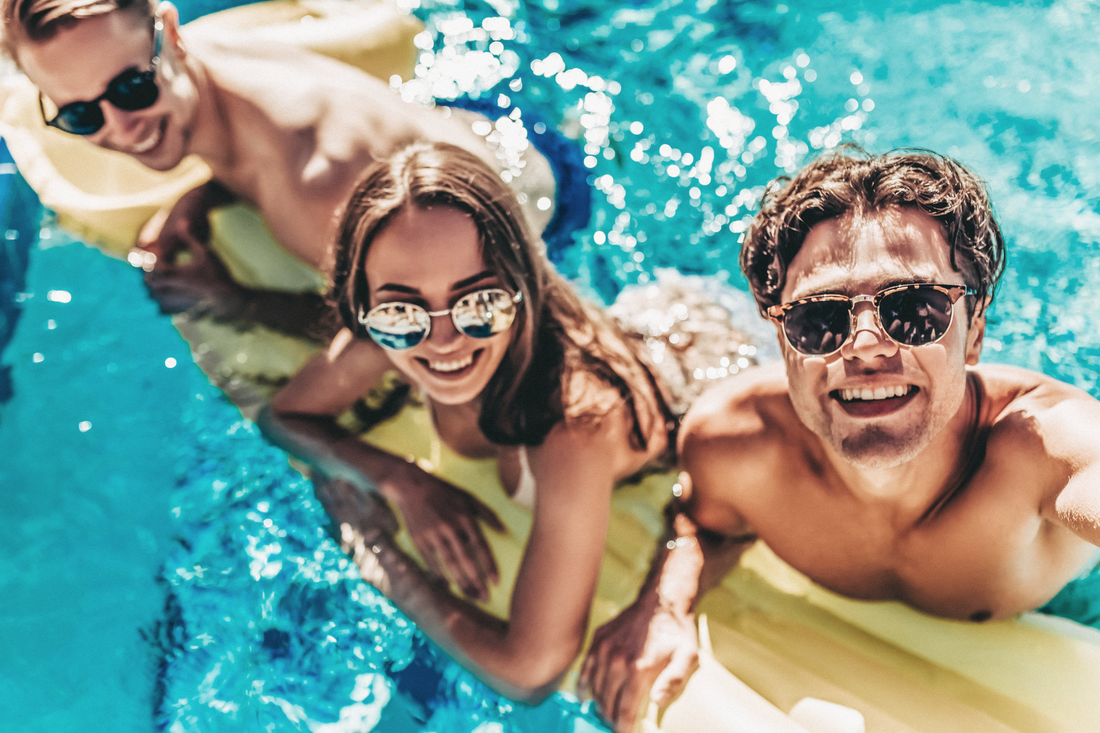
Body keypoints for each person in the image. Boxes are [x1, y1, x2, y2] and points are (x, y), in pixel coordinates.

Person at [579, 147, 1100, 732]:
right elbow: (707, 523)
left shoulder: (1043, 445)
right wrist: (664, 602)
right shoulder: (737, 441)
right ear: (782, 342)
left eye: (914, 308)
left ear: (974, 333)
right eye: (818, 319)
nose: (865, 344)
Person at [261, 142, 676, 700]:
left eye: (478, 303)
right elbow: (282, 418)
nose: (442, 340)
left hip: (689, 367)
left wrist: (379, 555)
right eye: (401, 309)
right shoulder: (390, 331)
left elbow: (530, 671)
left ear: (520, 286)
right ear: (364, 303)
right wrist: (401, 481)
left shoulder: (575, 425)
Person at [0, 0, 566, 330]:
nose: (120, 129)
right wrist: (202, 194)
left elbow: (409, 330)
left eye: (132, 87)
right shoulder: (206, 53)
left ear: (169, 34)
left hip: (541, 220)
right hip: (483, 124)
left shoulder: (313, 185)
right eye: (77, 114)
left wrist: (237, 304)